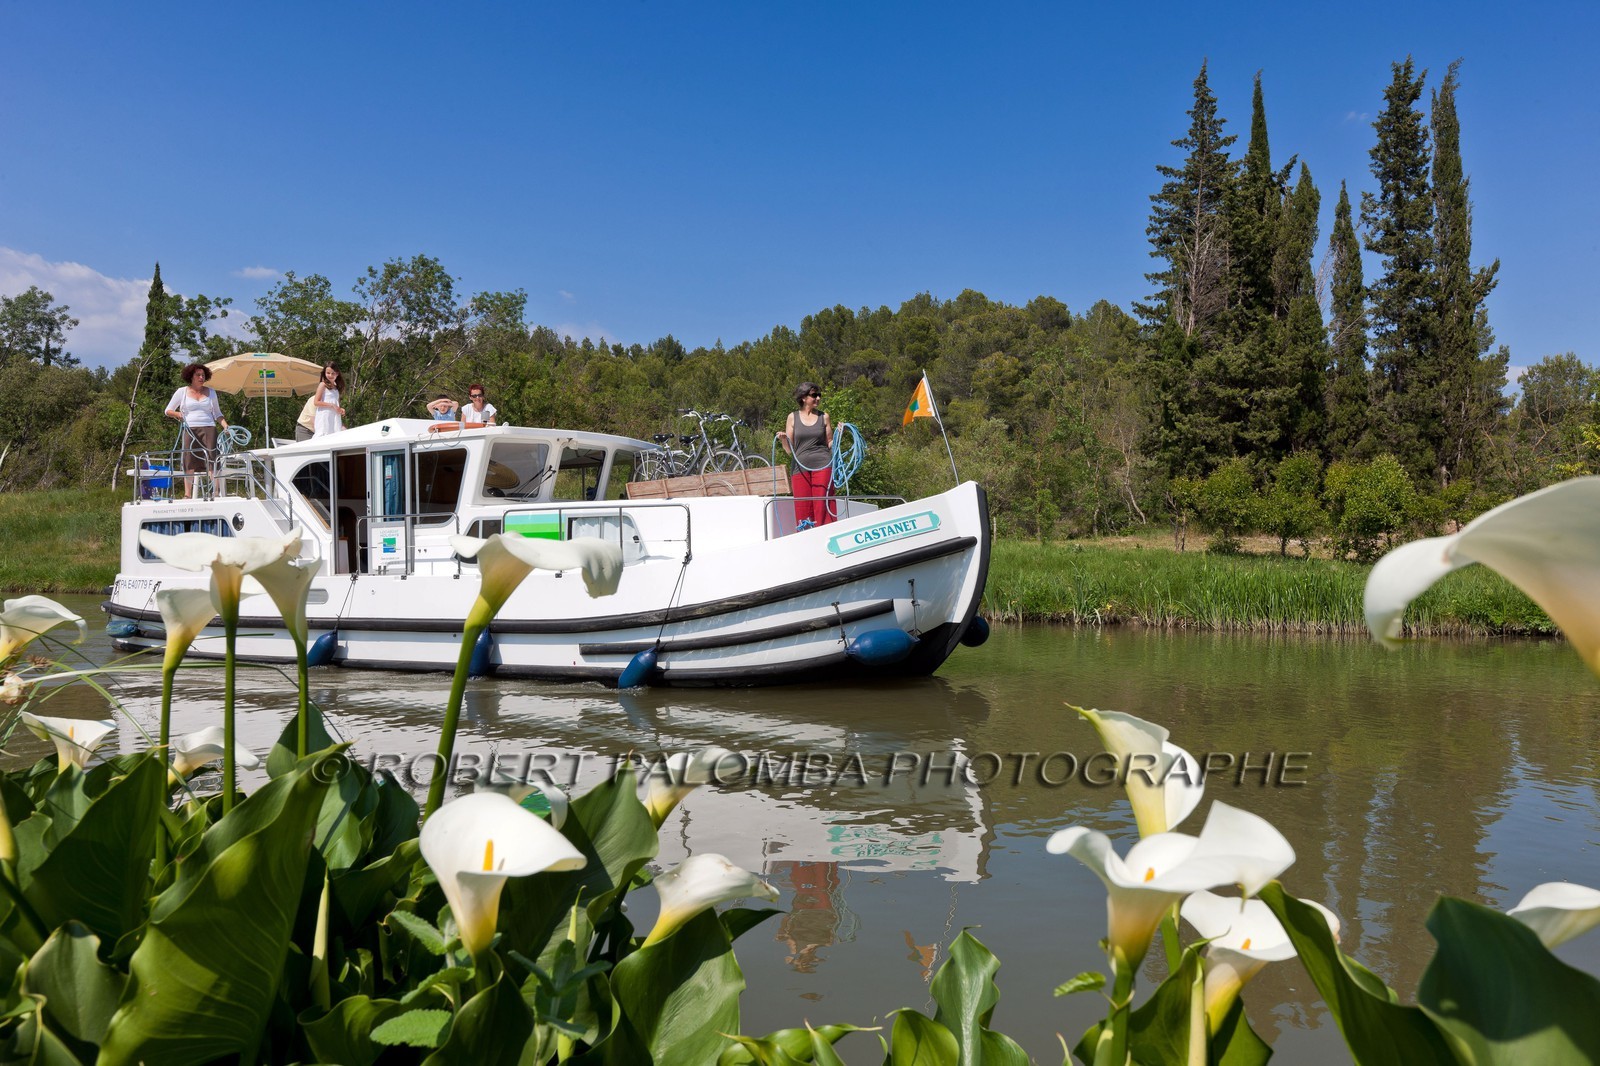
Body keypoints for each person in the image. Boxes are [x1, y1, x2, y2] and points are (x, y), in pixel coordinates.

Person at [165, 363, 229, 498]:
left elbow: (217, 413)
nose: (201, 378)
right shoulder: (181, 391)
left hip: (209, 428)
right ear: (191, 376)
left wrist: (225, 425)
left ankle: (215, 492)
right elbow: (168, 410)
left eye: (203, 375)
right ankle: (187, 494)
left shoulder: (211, 392)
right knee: (189, 460)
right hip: (190, 429)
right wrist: (178, 415)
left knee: (213, 460)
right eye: (198, 375)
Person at [777, 381, 834, 528]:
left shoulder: (824, 417)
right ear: (803, 398)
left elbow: (830, 442)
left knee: (822, 503)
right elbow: (789, 450)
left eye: (819, 395)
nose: (818, 398)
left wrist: (839, 437)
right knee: (803, 505)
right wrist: (784, 440)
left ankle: (826, 533)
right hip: (799, 467)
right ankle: (806, 535)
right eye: (814, 395)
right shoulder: (792, 417)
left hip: (823, 464)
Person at [312, 364, 345, 437]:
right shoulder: (323, 385)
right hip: (324, 416)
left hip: (334, 417)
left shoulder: (336, 388)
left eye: (333, 373)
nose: (330, 375)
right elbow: (316, 402)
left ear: (337, 374)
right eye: (328, 373)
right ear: (324, 373)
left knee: (334, 435)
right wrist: (332, 405)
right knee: (323, 435)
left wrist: (340, 409)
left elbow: (336, 403)